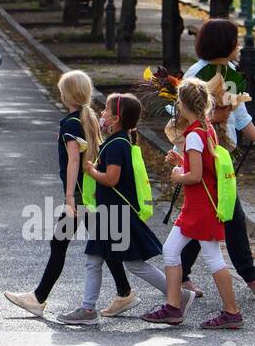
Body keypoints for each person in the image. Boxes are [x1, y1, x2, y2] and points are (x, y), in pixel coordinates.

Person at [4, 70, 136, 319]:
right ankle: (124, 292)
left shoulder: (70, 123)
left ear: (67, 95)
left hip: (79, 196)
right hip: (91, 194)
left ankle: (38, 298)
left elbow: (74, 161)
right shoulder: (90, 118)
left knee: (61, 242)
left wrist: (68, 198)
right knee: (103, 244)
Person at [179, 19, 255, 302]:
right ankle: (251, 275)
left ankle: (182, 272)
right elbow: (182, 115)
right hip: (202, 154)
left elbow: (241, 115)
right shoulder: (197, 74)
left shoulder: (232, 72)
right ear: (224, 44)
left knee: (209, 213)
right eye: (235, 41)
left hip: (223, 155)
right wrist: (212, 118)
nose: (238, 47)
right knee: (230, 214)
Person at [58, 93, 171, 326]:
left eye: (106, 111)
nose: (102, 114)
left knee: (132, 264)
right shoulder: (119, 141)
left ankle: (177, 295)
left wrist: (90, 170)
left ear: (116, 118)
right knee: (97, 259)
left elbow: (111, 178)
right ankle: (88, 308)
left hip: (113, 214)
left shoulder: (117, 144)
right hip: (109, 213)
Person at [143, 79, 244, 330]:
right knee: (171, 251)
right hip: (200, 204)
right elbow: (202, 167)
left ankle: (231, 312)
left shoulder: (193, 136)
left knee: (212, 259)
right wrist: (181, 161)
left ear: (183, 104)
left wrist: (178, 174)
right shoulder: (205, 128)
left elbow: (195, 176)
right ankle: (173, 307)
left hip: (201, 207)